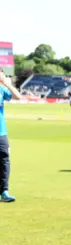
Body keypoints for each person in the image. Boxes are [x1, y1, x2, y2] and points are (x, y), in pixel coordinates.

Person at [0, 70, 21, 202]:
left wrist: (7, 84)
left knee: (4, 161)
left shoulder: (2, 90)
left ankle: (4, 191)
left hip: (1, 132)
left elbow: (17, 97)